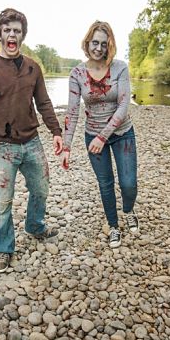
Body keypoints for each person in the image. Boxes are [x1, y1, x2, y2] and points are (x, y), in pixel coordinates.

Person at [0, 8, 63, 273]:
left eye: (17, 31)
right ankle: (4, 248)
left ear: (23, 35)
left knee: (41, 188)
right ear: (0, 34)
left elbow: (44, 102)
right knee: (2, 202)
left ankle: (35, 226)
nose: (12, 35)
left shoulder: (33, 68)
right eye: (7, 30)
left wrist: (56, 131)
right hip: (3, 147)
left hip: (32, 142)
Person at [60, 20, 139, 249]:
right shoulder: (77, 73)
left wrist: (103, 137)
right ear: (87, 43)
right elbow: (72, 112)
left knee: (129, 184)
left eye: (104, 44)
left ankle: (128, 210)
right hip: (92, 134)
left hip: (122, 133)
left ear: (109, 45)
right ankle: (113, 226)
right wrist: (66, 147)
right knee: (105, 183)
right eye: (95, 42)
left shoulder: (120, 68)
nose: (99, 48)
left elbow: (123, 106)